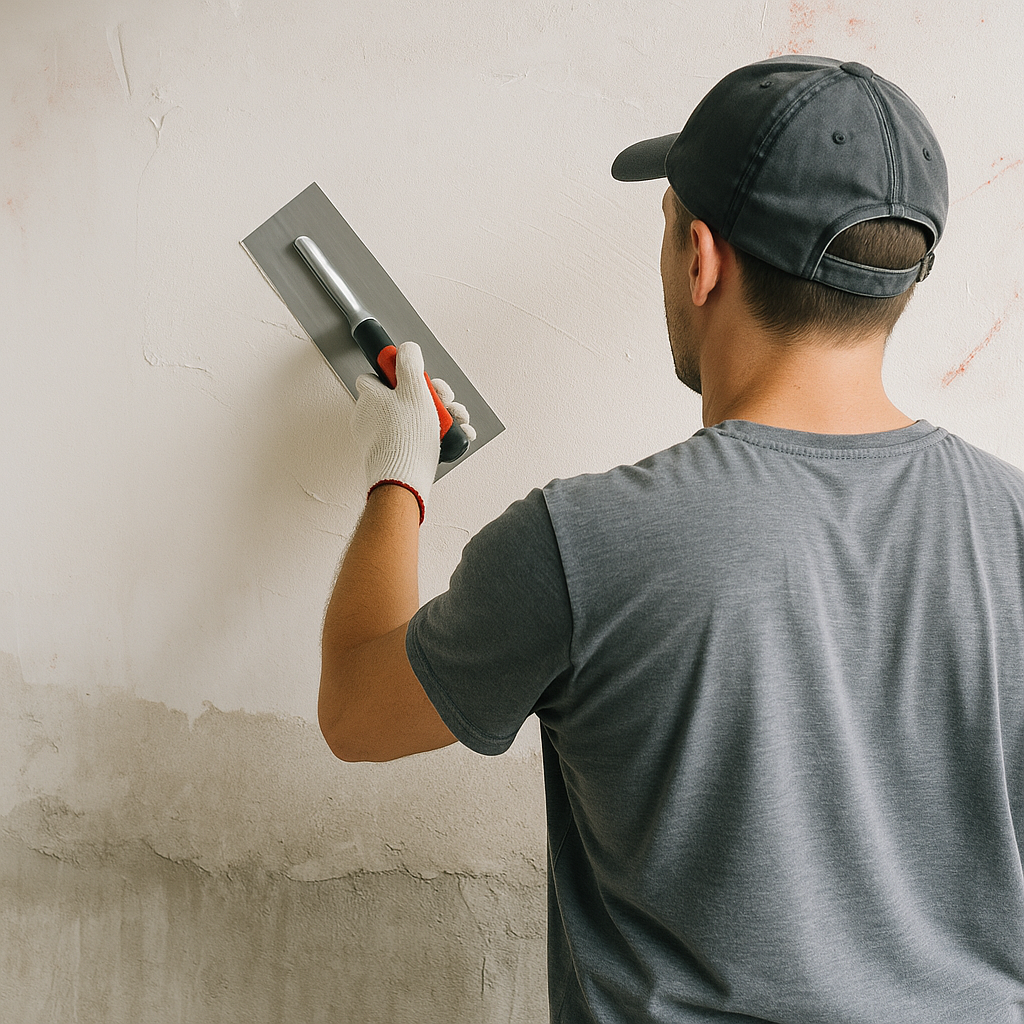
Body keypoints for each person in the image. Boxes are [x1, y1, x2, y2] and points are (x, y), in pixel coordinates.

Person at [317, 55, 1024, 1023]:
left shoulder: (583, 540)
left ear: (700, 258)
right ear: (899, 279)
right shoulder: (1014, 524)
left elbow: (359, 711)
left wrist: (396, 473)